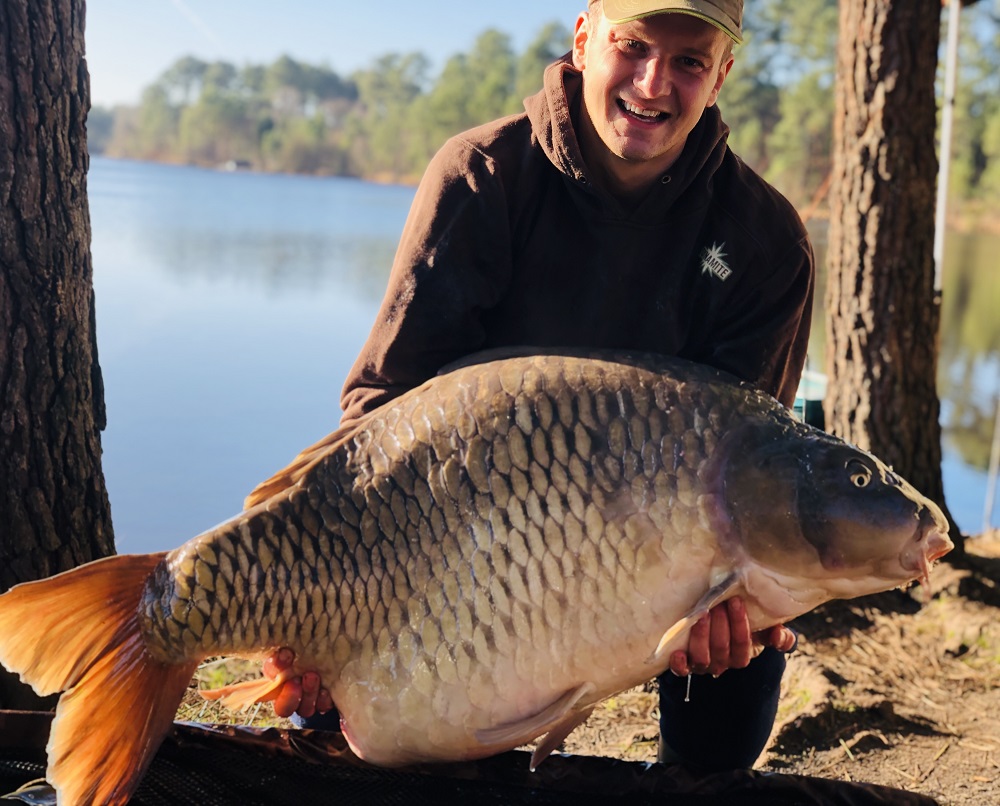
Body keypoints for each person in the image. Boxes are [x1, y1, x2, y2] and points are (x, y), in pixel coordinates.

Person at [265, 0, 812, 772]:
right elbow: (382, 410)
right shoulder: (483, 175)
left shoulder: (763, 242)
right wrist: (330, 586)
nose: (653, 83)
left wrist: (739, 600)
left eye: (689, 61)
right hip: (465, 542)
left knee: (740, 646)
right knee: (377, 741)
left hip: (668, 548)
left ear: (721, 74)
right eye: (633, 46)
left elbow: (752, 463)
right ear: (585, 40)